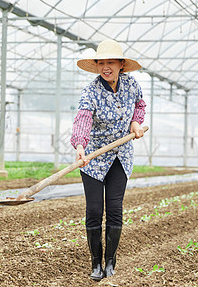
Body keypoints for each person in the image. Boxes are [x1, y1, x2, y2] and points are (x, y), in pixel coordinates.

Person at [70, 39, 146, 281]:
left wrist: (136, 121)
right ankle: (96, 264)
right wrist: (80, 145)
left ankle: (110, 261)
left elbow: (140, 105)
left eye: (110, 62)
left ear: (121, 64)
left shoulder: (132, 85)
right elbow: (83, 118)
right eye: (101, 62)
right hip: (92, 158)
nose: (105, 67)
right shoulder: (90, 92)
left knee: (115, 209)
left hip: (120, 157)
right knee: (94, 210)